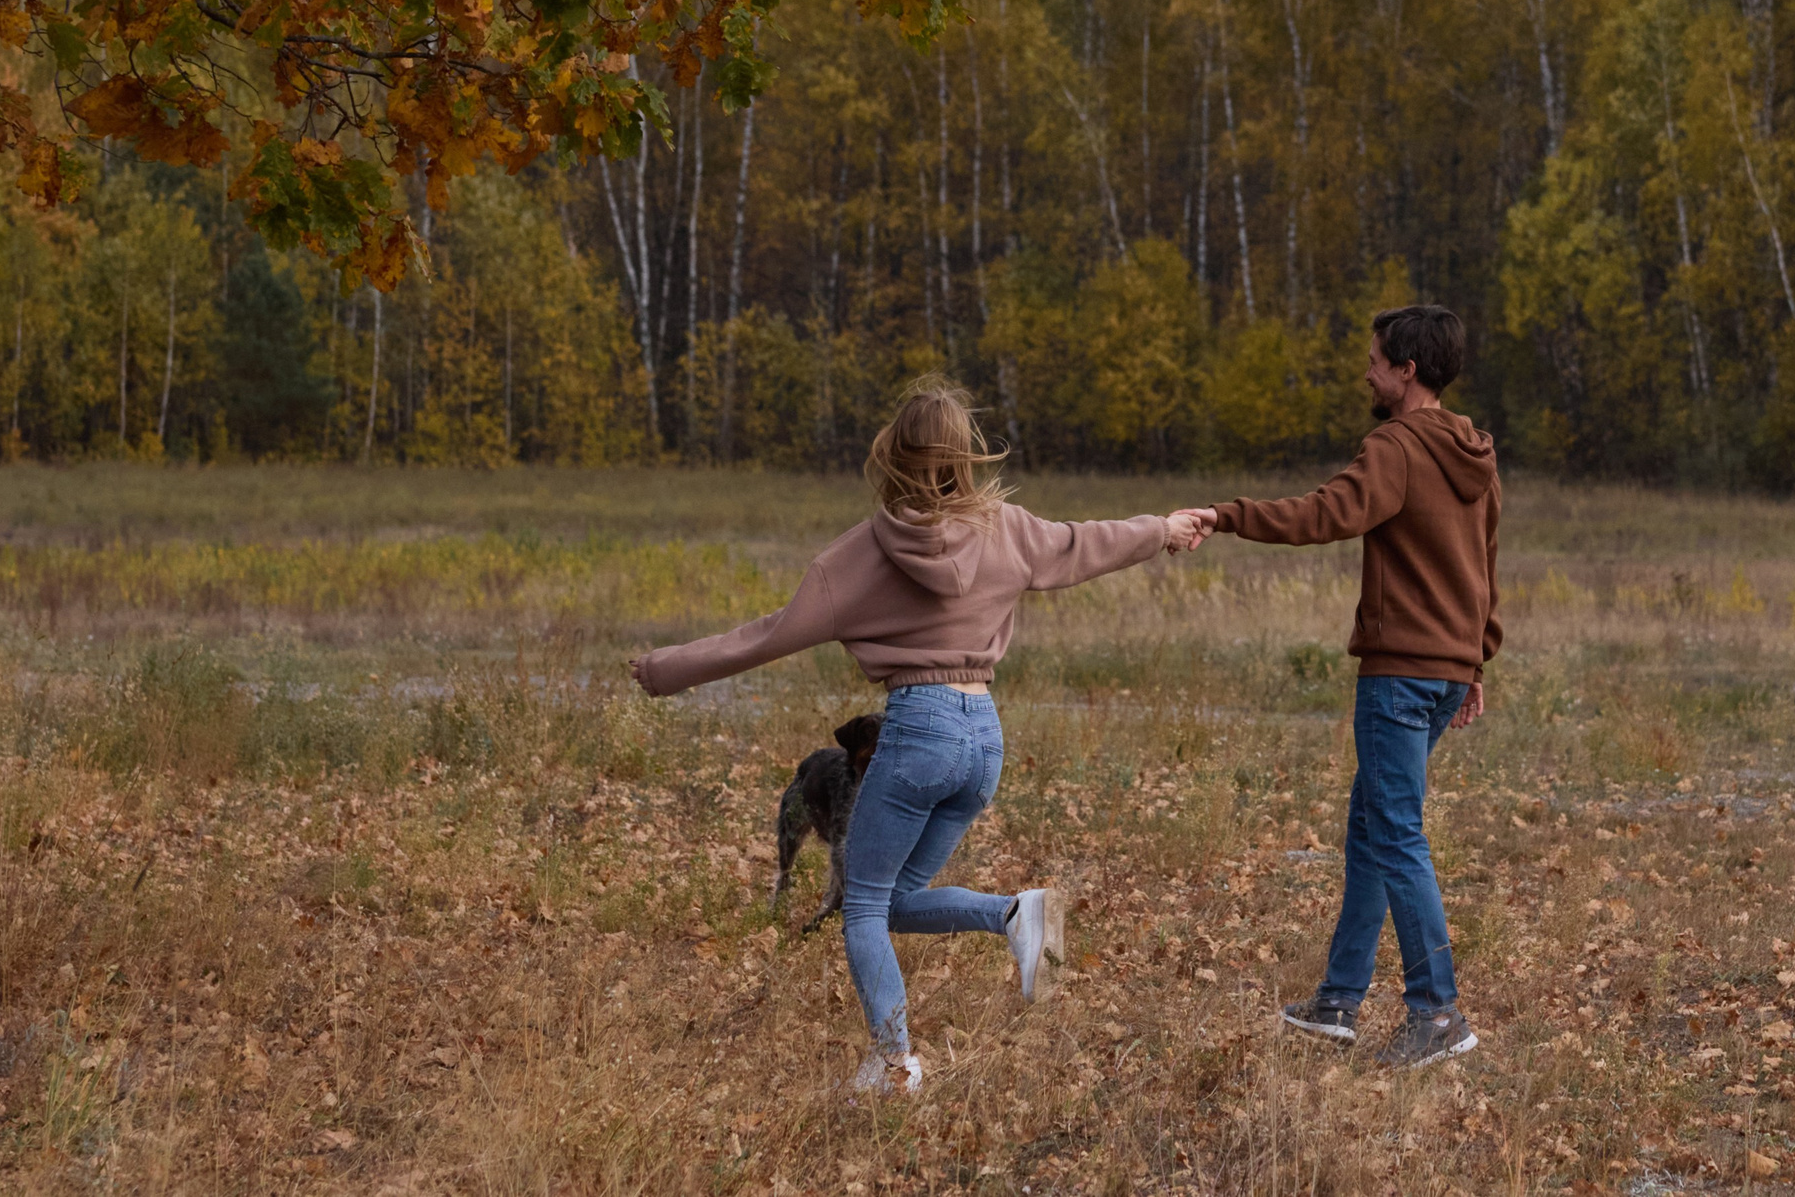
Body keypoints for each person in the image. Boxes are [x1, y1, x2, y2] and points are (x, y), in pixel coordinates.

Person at [630, 376, 1208, 1095]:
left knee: (863, 907)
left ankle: (893, 1062)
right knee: (897, 898)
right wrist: (1164, 528)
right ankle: (1013, 912)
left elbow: (766, 636)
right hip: (983, 735)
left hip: (918, 732)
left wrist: (662, 669)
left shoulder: (854, 556)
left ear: (893, 454)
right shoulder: (1010, 528)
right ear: (964, 454)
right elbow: (1085, 543)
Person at [1182, 303, 1499, 1070]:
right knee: (1372, 829)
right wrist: (1474, 662)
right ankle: (1337, 1001)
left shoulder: (1396, 446)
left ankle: (1438, 1012)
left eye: (1374, 358)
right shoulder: (1477, 453)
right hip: (1444, 671)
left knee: (1395, 834)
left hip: (1400, 674)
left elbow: (1325, 513)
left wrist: (1225, 514)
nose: (1366, 369)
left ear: (1406, 370)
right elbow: (1487, 566)